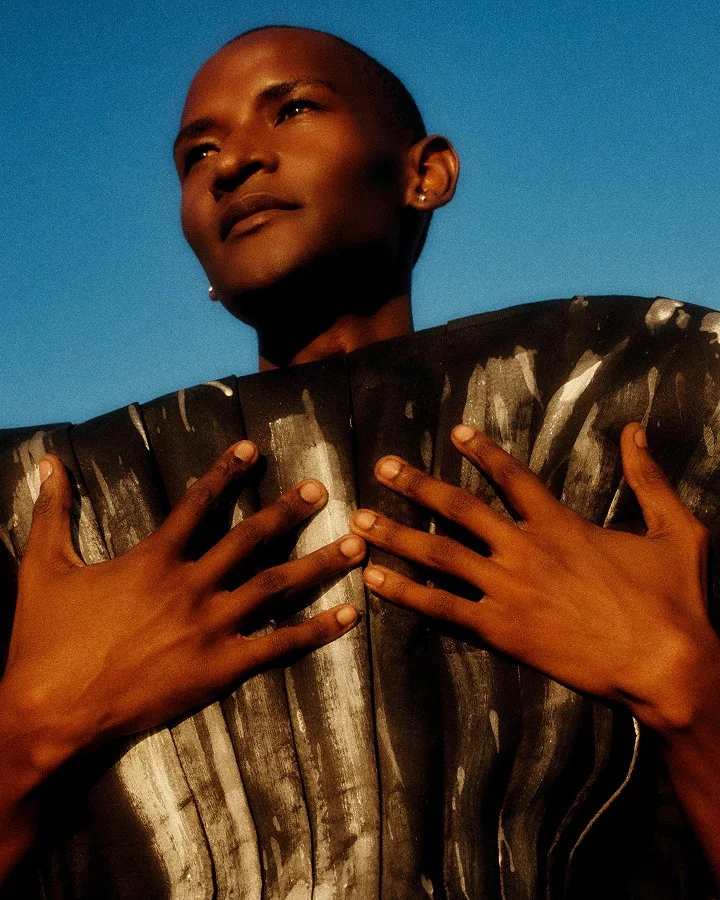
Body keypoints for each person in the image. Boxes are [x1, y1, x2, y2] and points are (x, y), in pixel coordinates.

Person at [0, 24, 718, 889]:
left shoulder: (652, 394)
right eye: (198, 154)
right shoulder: (50, 509)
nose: (234, 163)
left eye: (293, 109)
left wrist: (686, 687)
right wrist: (32, 732)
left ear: (427, 174)